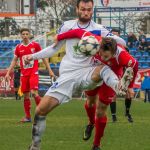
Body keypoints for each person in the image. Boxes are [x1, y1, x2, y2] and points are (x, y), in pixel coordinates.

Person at [23, 1, 133, 150]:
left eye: (89, 10)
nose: (86, 12)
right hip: (67, 75)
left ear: (92, 10)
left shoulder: (98, 29)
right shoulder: (67, 26)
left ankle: (118, 86)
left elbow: (121, 41)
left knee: (103, 69)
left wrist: (105, 40)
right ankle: (35, 146)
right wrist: (33, 56)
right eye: (83, 9)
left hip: (88, 72)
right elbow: (53, 48)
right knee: (40, 111)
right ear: (77, 9)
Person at [55, 28, 138, 150]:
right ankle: (91, 123)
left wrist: (130, 87)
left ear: (114, 52)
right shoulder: (96, 41)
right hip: (94, 71)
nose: (103, 58)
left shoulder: (122, 55)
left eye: (106, 56)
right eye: (100, 54)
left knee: (101, 110)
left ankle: (96, 144)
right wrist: (59, 36)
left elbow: (135, 65)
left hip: (112, 75)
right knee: (90, 103)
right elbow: (78, 32)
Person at [5, 28, 55, 123]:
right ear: (21, 35)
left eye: (26, 34)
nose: (25, 36)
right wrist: (8, 73)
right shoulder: (18, 47)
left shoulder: (35, 46)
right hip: (24, 75)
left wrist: (50, 70)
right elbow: (14, 61)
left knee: (34, 92)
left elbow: (43, 57)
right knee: (26, 96)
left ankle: (41, 114)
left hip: (33, 73)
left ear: (29, 35)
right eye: (23, 34)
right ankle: (28, 117)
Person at [110, 28, 135, 123]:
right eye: (112, 35)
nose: (114, 37)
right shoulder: (107, 47)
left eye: (116, 35)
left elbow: (128, 61)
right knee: (113, 95)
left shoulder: (125, 48)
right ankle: (113, 116)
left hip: (123, 72)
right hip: (112, 72)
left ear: (119, 36)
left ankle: (127, 113)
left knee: (128, 95)